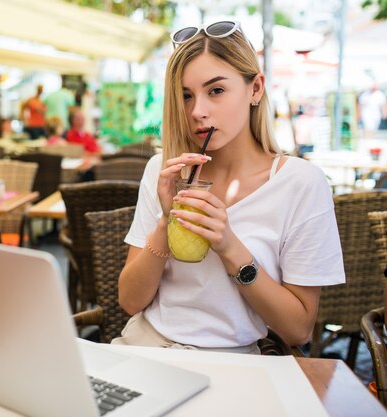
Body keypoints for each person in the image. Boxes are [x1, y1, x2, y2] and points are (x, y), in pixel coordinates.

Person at [113, 21, 345, 353]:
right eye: (186, 95)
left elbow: (298, 330)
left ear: (255, 89)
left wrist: (229, 246)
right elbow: (130, 301)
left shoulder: (300, 184)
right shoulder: (164, 171)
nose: (198, 111)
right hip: (144, 346)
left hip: (234, 363)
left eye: (216, 91)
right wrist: (168, 221)